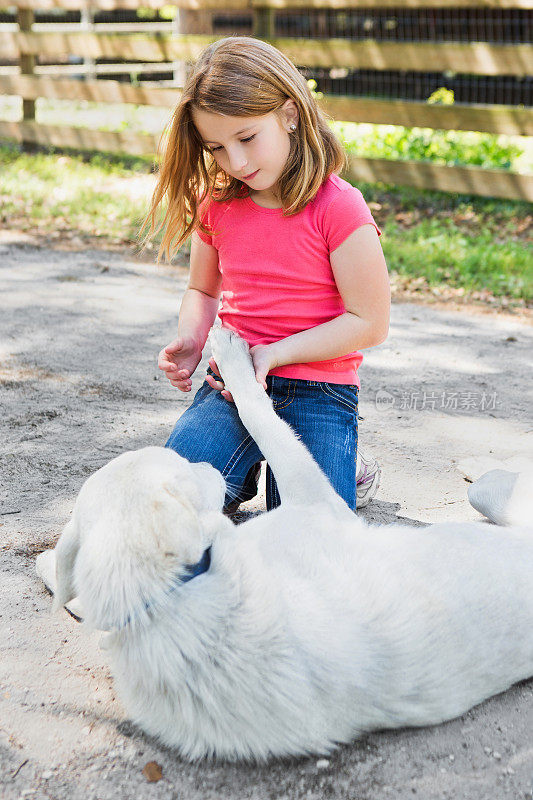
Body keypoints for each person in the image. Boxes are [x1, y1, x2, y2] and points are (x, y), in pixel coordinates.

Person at [142, 36, 390, 513]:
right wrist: (192, 338)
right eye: (217, 147)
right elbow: (201, 287)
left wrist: (274, 355)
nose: (236, 163)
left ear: (290, 113)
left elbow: (370, 321)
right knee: (171, 504)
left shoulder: (339, 208)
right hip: (232, 385)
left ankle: (343, 464)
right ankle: (247, 462)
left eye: (247, 138)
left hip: (319, 389)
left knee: (308, 531)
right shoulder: (218, 204)